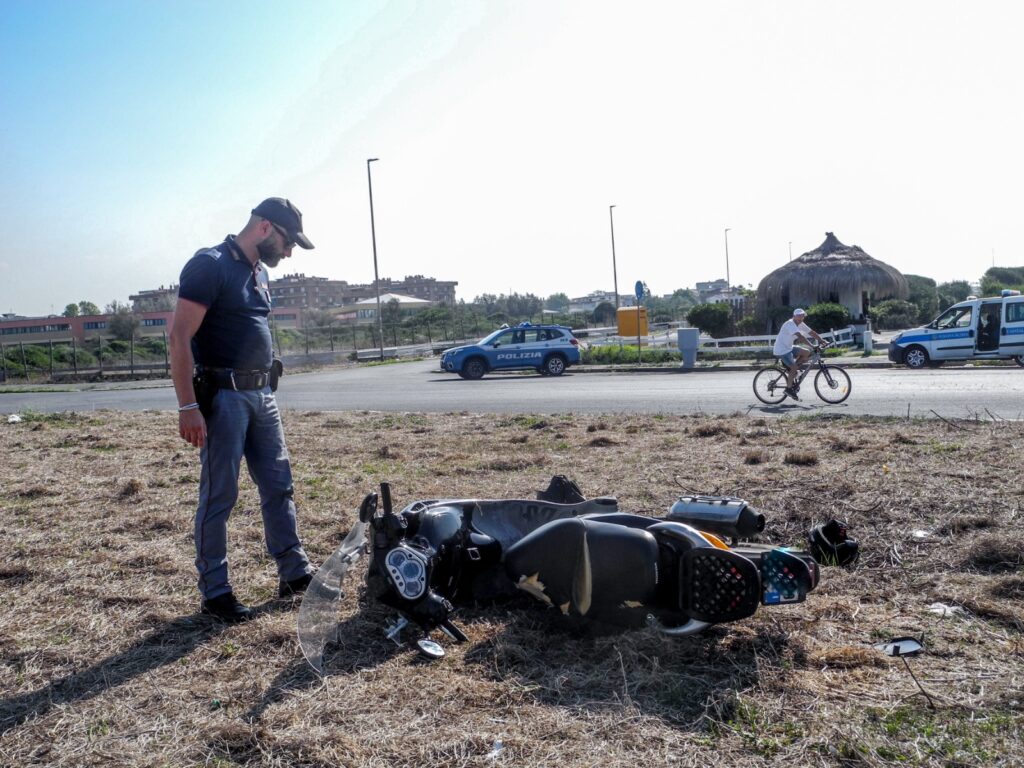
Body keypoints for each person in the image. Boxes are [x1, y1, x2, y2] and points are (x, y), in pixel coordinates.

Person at [169, 198, 316, 623]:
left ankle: (294, 571)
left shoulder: (260, 272)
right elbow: (179, 339)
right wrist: (188, 406)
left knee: (279, 485)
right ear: (266, 228)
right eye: (288, 243)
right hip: (224, 399)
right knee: (220, 496)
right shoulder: (209, 265)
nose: (288, 253)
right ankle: (216, 592)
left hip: (263, 396)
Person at [773, 308, 827, 401]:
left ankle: (793, 370)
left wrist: (822, 340)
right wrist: (812, 345)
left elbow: (811, 332)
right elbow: (800, 337)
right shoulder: (790, 324)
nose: (800, 318)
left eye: (802, 316)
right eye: (798, 316)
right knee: (794, 368)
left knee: (807, 353)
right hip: (781, 350)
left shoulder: (801, 324)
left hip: (789, 347)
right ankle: (788, 389)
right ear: (794, 316)